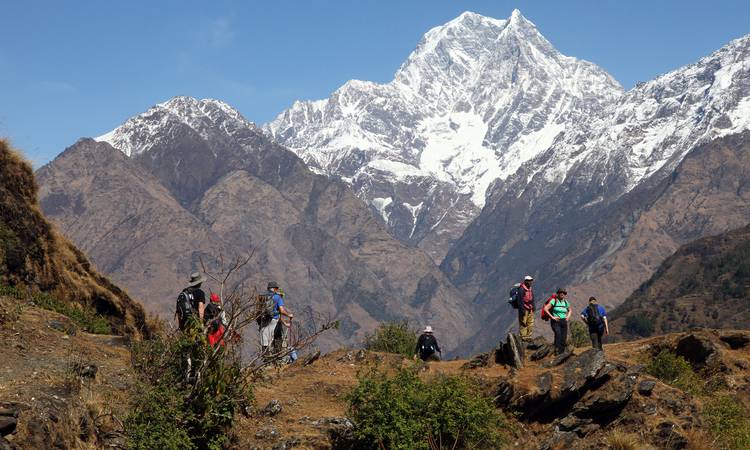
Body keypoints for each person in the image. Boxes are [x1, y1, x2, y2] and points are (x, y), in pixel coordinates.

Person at [260, 281, 293, 355]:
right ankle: (277, 356)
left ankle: (266, 359)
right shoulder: (277, 297)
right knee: (277, 339)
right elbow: (281, 311)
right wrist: (289, 315)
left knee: (265, 341)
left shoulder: (262, 297)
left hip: (264, 321)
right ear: (275, 288)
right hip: (274, 320)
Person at [544, 288, 571, 355]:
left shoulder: (565, 302)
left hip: (563, 321)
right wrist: (552, 317)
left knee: (563, 338)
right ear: (558, 293)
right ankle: (556, 350)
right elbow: (546, 309)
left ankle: (561, 353)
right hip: (555, 321)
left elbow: (570, 310)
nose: (562, 294)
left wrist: (567, 317)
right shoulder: (554, 301)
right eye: (560, 292)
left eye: (564, 293)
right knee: (558, 334)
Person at [513, 275, 536, 341]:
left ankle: (529, 336)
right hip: (524, 309)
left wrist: (533, 307)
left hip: (530, 308)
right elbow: (520, 301)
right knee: (523, 323)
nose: (530, 282)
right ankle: (523, 337)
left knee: (530, 323)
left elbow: (532, 298)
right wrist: (522, 310)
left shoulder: (530, 289)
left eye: (531, 281)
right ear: (525, 281)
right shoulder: (521, 289)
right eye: (528, 281)